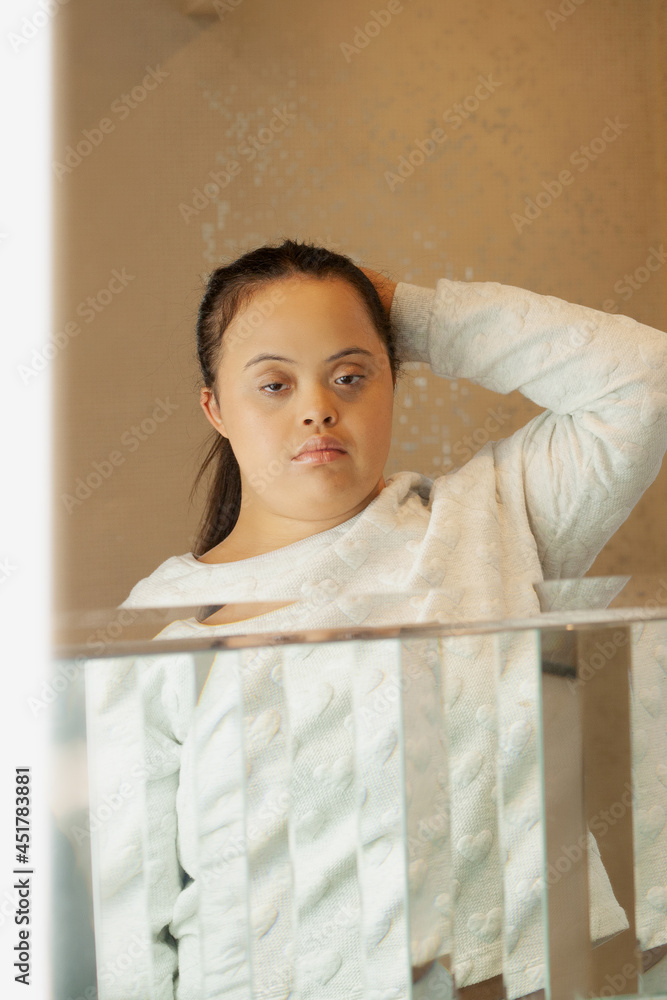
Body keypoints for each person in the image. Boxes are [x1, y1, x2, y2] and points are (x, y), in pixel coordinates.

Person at [107, 239, 667, 998]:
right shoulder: (159, 627)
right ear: (216, 407)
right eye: (273, 383)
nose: (317, 407)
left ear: (392, 384)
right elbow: (122, 928)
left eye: (349, 375)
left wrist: (412, 311)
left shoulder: (492, 520)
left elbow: (642, 380)